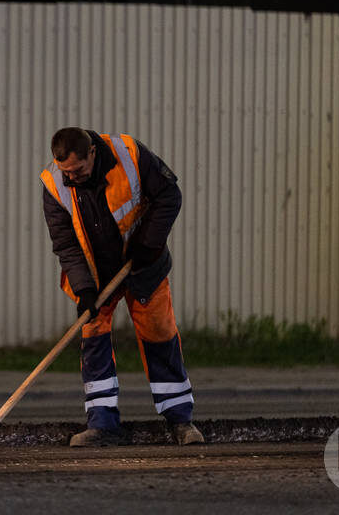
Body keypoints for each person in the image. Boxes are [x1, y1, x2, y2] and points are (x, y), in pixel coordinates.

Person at [40, 127, 204, 446]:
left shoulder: (129, 155)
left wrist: (149, 243)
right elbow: (66, 245)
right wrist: (84, 289)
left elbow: (169, 196)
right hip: (95, 274)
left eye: (78, 170)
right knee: (93, 339)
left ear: (92, 154)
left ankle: (180, 420)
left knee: (160, 333)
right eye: (66, 172)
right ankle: (102, 424)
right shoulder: (53, 184)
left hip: (143, 264)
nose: (71, 178)